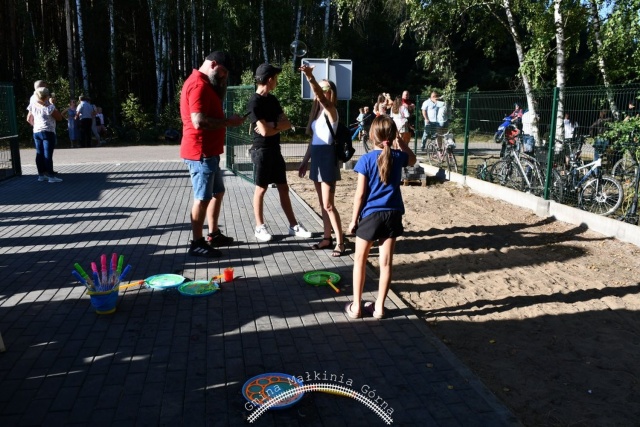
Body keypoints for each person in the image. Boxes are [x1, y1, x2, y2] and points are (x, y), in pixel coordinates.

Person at [344, 115, 416, 319]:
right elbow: (412, 159)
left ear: (370, 136)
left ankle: (356, 307)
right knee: (386, 264)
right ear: (392, 136)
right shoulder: (397, 156)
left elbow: (360, 195)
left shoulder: (366, 160)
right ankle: (379, 308)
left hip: (371, 216)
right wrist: (401, 142)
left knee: (360, 261)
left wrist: (353, 220)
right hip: (393, 215)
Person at [180, 51, 245, 257]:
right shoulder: (198, 85)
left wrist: (222, 85)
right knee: (202, 198)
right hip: (201, 152)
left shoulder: (206, 83)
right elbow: (199, 121)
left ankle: (213, 234)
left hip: (210, 152)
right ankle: (197, 243)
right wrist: (229, 122)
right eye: (223, 72)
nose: (224, 76)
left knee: (217, 192)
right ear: (213, 64)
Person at [248, 63, 312, 243]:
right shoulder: (254, 102)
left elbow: (287, 123)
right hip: (261, 150)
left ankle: (293, 226)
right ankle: (259, 227)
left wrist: (273, 125)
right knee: (261, 189)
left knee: (283, 187)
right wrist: (274, 127)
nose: (276, 81)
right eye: (275, 78)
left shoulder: (273, 100)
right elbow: (264, 132)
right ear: (270, 79)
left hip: (275, 149)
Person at [298, 63, 346, 256]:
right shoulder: (317, 114)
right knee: (322, 204)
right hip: (317, 158)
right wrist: (304, 161)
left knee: (329, 204)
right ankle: (327, 238)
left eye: (325, 88)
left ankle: (340, 242)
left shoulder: (330, 110)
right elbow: (313, 141)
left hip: (327, 157)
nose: (321, 91)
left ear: (330, 92)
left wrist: (310, 77)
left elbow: (320, 96)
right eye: (320, 87)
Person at [28, 87, 63, 183]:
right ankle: (51, 176)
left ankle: (41, 175)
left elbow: (29, 118)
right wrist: (52, 103)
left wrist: (35, 125)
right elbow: (59, 117)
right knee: (48, 154)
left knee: (39, 153)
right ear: (47, 96)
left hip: (36, 131)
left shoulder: (33, 105)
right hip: (48, 131)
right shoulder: (49, 107)